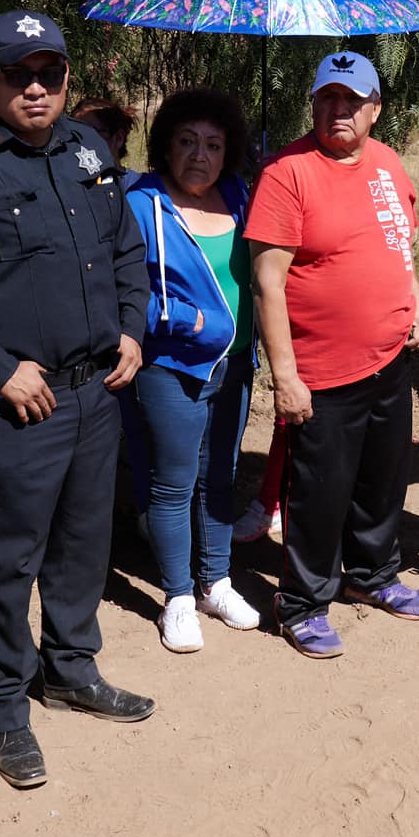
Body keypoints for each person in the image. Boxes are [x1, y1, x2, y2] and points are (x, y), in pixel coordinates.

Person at [0, 9, 154, 788]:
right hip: (21, 404)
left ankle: (72, 671)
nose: (36, 88)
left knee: (84, 547)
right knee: (11, 560)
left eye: (50, 72)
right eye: (18, 74)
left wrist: (133, 327)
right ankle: (3, 707)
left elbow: (125, 248)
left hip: (96, 395)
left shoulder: (87, 149)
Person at [245, 51, 419, 658]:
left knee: (382, 482)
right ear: (315, 104)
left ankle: (372, 574)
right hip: (320, 372)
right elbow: (267, 281)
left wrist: (416, 301)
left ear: (375, 109)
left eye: (352, 100)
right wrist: (285, 376)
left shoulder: (386, 162)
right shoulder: (287, 172)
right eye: (328, 98)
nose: (339, 110)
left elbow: (398, 240)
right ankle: (301, 602)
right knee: (319, 493)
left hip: (388, 359)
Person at [123, 89, 263, 652]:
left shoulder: (242, 196)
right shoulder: (141, 202)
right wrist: (192, 319)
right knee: (173, 483)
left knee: (221, 477)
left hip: (235, 364)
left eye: (212, 144)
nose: (198, 155)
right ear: (165, 146)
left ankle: (216, 581)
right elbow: (123, 289)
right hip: (170, 367)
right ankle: (178, 596)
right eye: (186, 142)